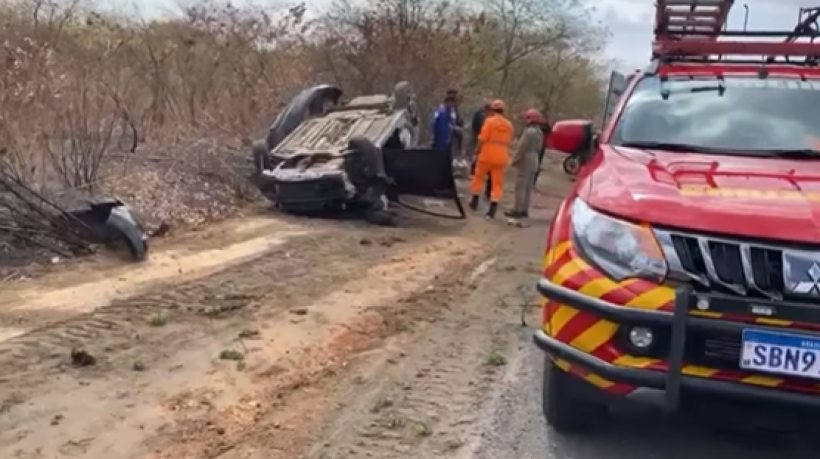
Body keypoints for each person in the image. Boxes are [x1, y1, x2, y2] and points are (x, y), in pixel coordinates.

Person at [468, 99, 513, 219]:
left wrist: (476, 152)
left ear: (492, 110)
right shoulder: (508, 125)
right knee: (496, 184)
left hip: (486, 156)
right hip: (501, 158)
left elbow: (482, 139)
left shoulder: (489, 122)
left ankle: (474, 202)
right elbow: (508, 141)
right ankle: (492, 210)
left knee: (478, 178)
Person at [506, 109, 544, 219]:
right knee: (528, 188)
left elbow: (522, 147)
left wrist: (514, 160)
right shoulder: (539, 132)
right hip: (534, 159)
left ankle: (517, 209)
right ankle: (524, 210)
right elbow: (539, 148)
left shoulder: (529, 132)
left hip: (526, 160)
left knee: (520, 187)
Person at [533, 115, 553, 186]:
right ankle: (533, 181)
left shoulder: (538, 126)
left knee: (536, 163)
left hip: (539, 146)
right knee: (536, 163)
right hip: (540, 145)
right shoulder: (542, 126)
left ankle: (533, 181)